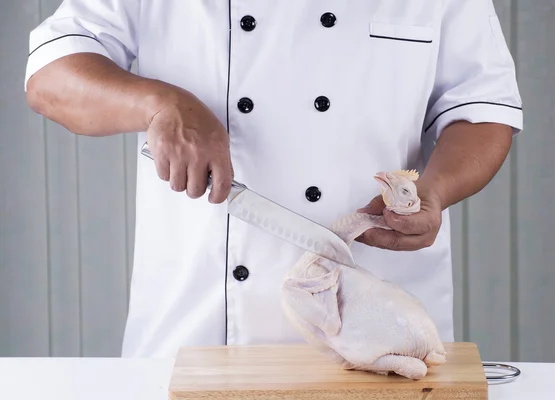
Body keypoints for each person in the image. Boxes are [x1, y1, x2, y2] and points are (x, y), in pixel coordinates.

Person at [24, 0, 522, 358]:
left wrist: (434, 191)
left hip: (383, 332)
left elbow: (481, 109)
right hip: (199, 338)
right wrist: (156, 103)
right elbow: (50, 75)